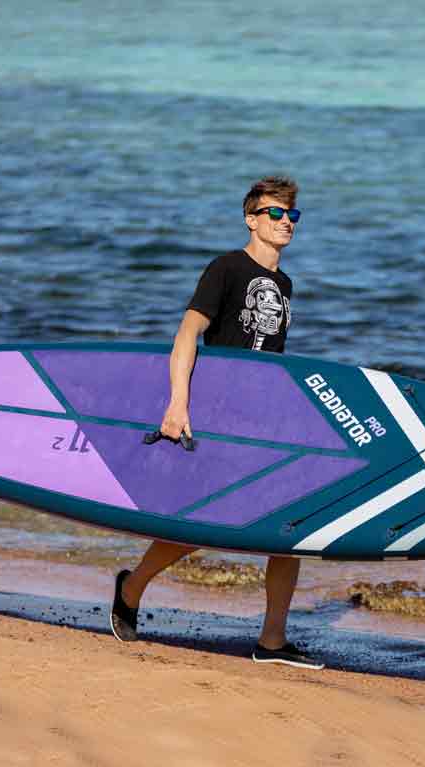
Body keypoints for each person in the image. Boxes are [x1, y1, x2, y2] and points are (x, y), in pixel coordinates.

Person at [110, 175, 323, 670]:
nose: (286, 222)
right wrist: (177, 404)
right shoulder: (227, 268)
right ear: (251, 218)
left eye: (293, 215)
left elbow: (269, 362)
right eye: (275, 213)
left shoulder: (285, 285)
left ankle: (271, 641)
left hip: (262, 421)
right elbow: (188, 333)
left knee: (287, 528)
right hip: (219, 415)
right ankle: (133, 585)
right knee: (199, 524)